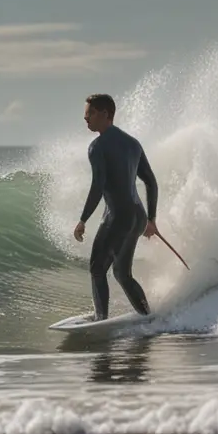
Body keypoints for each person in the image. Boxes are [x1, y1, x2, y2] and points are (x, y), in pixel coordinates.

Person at [73, 93, 159, 321]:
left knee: (97, 270)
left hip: (118, 217)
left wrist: (83, 219)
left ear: (104, 114)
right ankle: (147, 318)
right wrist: (151, 220)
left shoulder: (97, 146)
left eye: (90, 113)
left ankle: (100, 320)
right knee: (122, 273)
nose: (85, 117)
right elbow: (150, 181)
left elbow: (98, 185)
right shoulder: (133, 144)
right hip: (137, 216)